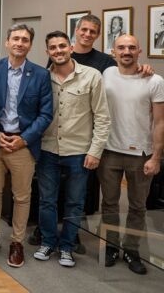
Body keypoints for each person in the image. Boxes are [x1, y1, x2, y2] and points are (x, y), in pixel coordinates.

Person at [33, 31, 110, 268]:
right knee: (47, 200)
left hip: (79, 151)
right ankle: (48, 242)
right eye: (53, 47)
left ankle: (67, 246)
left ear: (71, 48)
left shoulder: (92, 76)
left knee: (75, 202)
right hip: (47, 149)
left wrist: (95, 151)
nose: (58, 51)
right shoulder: (42, 78)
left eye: (62, 46)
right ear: (47, 52)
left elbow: (102, 117)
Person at [0, 24, 53, 268]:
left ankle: (17, 242)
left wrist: (25, 138)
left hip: (23, 144)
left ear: (30, 45)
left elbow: (45, 114)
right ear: (7, 42)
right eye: (16, 38)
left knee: (22, 196)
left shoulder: (40, 74)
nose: (20, 43)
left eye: (25, 40)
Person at [99, 34, 164, 275]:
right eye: (121, 47)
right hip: (108, 151)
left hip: (141, 153)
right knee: (109, 203)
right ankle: (111, 246)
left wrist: (156, 157)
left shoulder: (154, 80)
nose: (126, 51)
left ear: (139, 51)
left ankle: (131, 249)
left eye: (131, 47)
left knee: (137, 206)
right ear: (113, 52)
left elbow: (160, 122)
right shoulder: (106, 74)